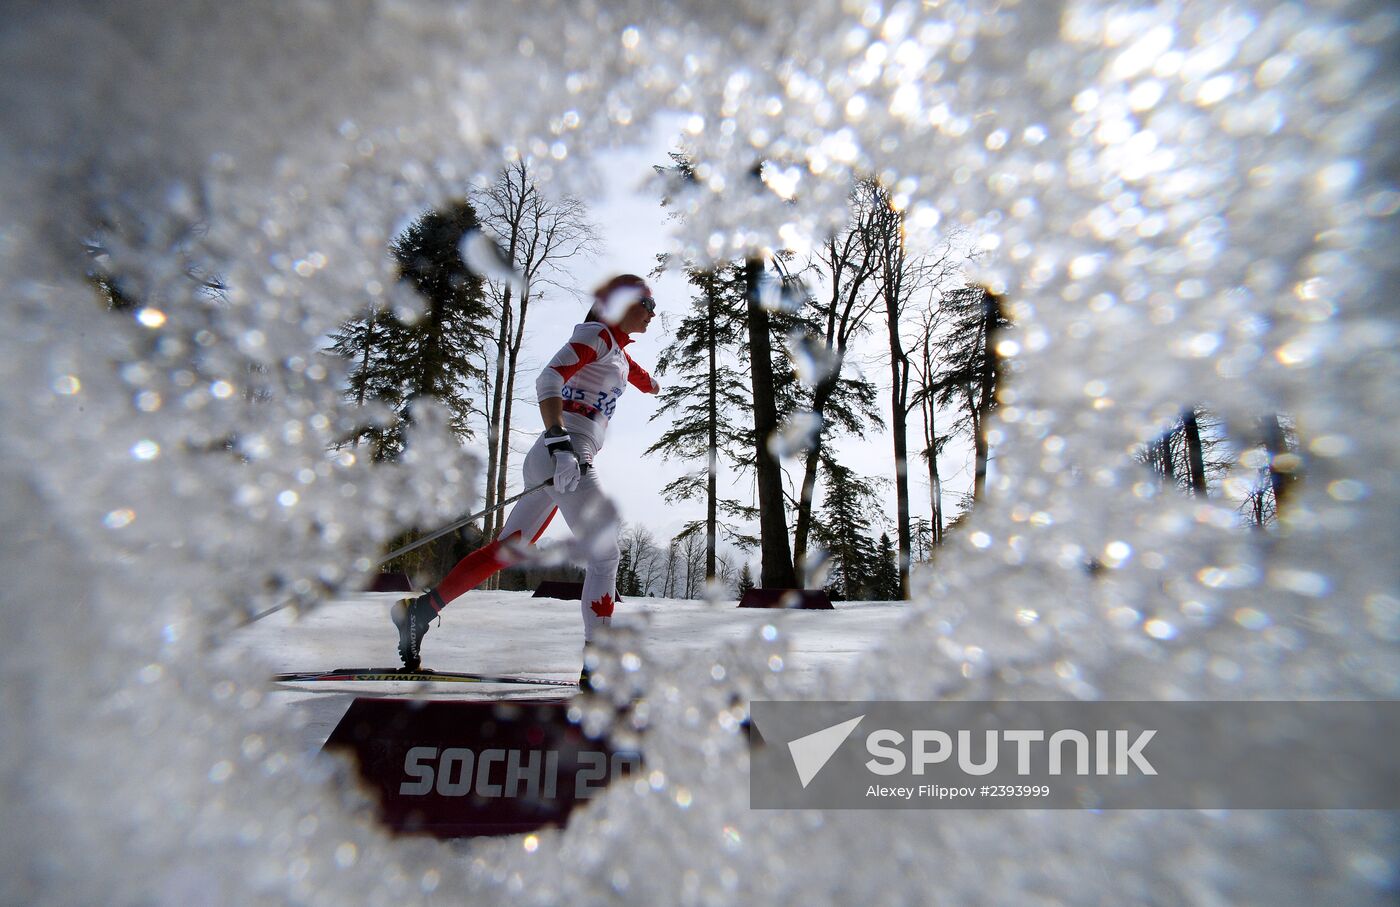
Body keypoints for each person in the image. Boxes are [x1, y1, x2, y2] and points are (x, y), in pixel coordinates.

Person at [391, 274, 660, 687]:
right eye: (648, 304)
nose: (653, 315)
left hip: (554, 459)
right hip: (566, 453)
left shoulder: (616, 352)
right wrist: (560, 442)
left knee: (507, 550)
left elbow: (633, 373)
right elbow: (548, 378)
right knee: (605, 554)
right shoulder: (597, 337)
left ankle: (421, 613)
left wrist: (651, 384)